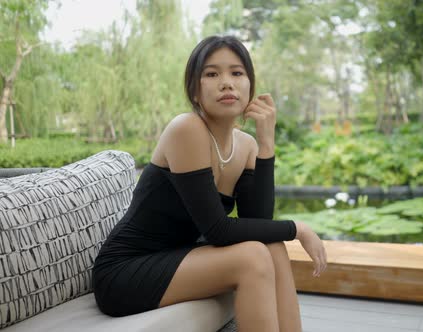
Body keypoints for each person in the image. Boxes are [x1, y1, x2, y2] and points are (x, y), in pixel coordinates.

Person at [92, 35, 327, 332]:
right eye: (212, 74)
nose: (227, 83)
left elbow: (259, 223)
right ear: (194, 89)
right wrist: (298, 229)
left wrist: (267, 144)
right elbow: (218, 230)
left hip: (181, 256)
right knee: (252, 257)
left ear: (249, 85)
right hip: (127, 270)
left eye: (237, 73)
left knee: (273, 248)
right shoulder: (186, 129)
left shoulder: (247, 146)